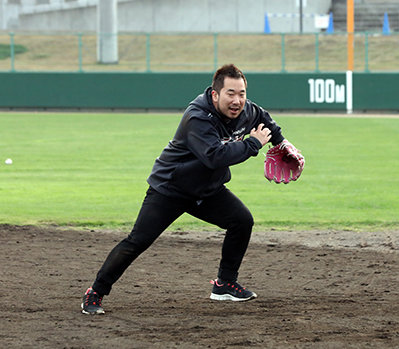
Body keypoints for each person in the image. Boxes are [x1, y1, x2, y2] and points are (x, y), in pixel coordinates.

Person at [81, 64, 301, 314]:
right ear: (215, 94)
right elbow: (214, 157)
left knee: (242, 221)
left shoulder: (246, 110)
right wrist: (252, 145)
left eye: (241, 93)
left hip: (207, 190)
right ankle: (96, 292)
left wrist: (282, 142)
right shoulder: (197, 116)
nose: (237, 100)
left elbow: (264, 120)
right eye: (231, 93)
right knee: (137, 241)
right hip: (171, 189)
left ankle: (225, 285)